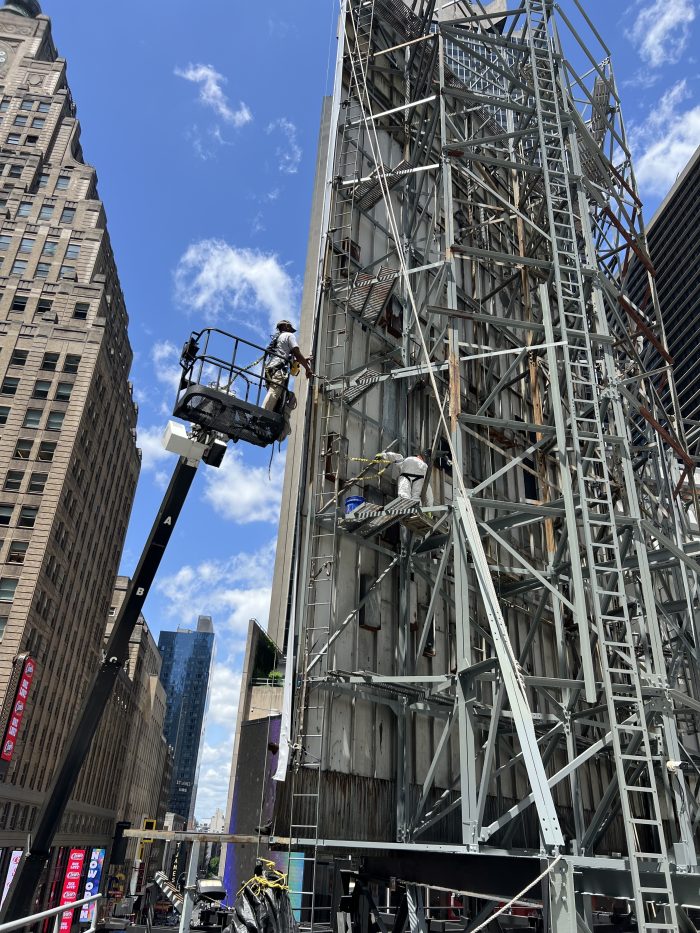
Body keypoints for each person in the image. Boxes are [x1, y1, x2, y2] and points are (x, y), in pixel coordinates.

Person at [262, 320, 313, 441]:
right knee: (274, 393)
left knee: (288, 397)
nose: (291, 329)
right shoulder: (289, 336)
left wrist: (303, 360)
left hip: (271, 370)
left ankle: (274, 422)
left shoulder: (278, 339)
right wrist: (307, 368)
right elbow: (296, 353)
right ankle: (263, 416)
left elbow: (290, 359)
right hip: (278, 370)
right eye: (289, 327)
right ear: (285, 326)